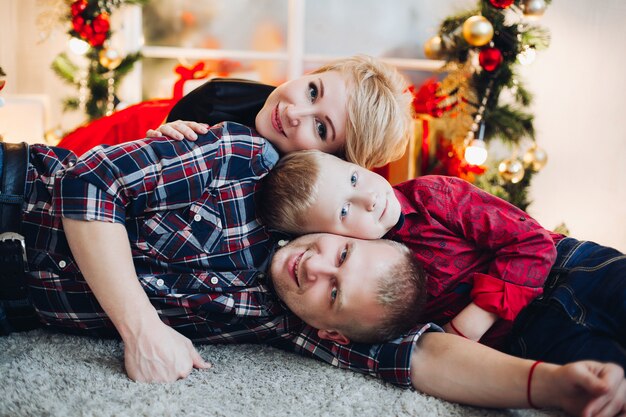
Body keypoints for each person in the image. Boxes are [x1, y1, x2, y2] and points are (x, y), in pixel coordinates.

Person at [1, 136, 626, 416]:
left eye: (331, 294)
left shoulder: (282, 319)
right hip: (18, 191)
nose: (316, 269)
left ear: (330, 332)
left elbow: (422, 360)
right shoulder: (249, 170)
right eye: (342, 255)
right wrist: (141, 330)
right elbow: (91, 182)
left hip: (15, 300)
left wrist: (549, 388)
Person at [257, 150, 626, 369]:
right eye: (342, 212)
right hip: (523, 337)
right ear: (331, 237)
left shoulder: (433, 195)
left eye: (354, 178)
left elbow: (531, 242)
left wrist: (473, 320)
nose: (368, 199)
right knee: (604, 377)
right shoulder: (369, 285)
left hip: (570, 269)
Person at [148, 55, 414, 169]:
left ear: (333, 160)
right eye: (312, 91)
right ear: (311, 74)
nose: (294, 112)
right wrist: (161, 139)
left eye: (321, 128)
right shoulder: (214, 99)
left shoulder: (297, 211)